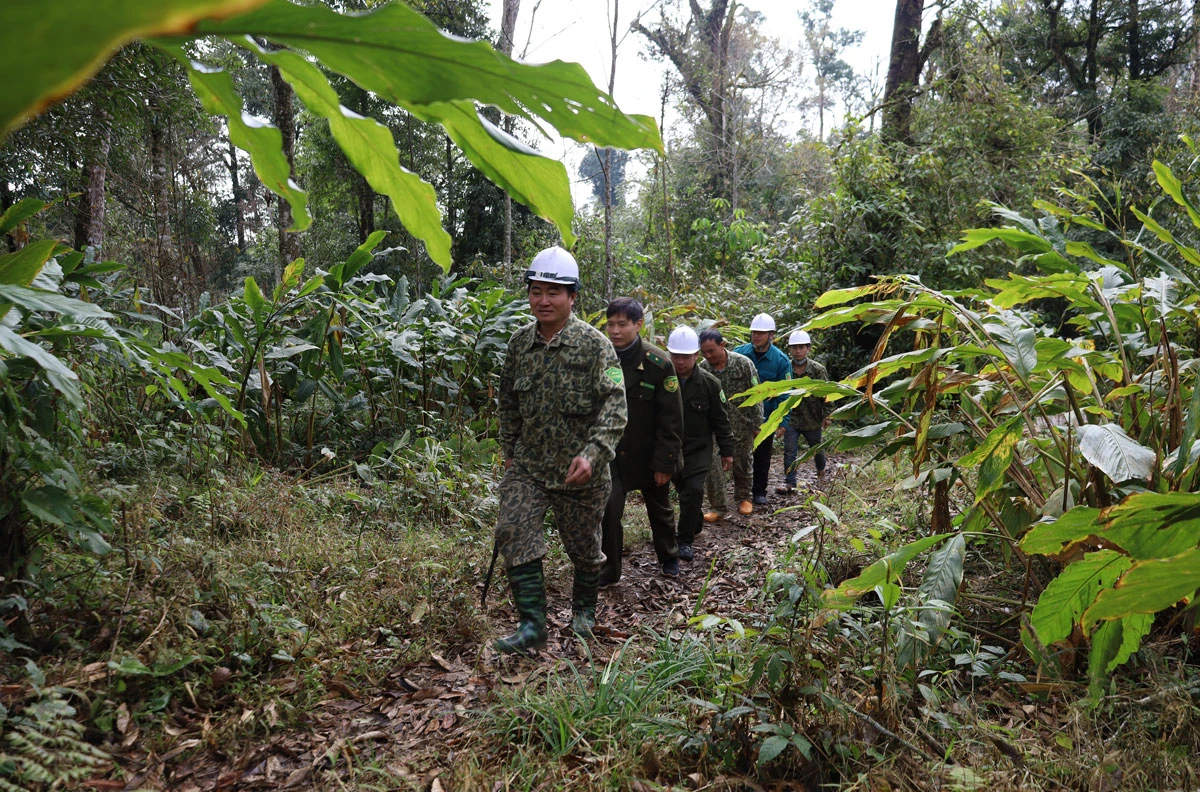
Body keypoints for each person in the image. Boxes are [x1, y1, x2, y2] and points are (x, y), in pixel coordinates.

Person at [492, 246, 628, 654]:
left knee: (585, 550)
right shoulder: (519, 345)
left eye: (554, 292)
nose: (543, 300)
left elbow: (616, 405)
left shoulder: (596, 346)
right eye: (536, 291)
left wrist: (592, 453)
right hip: (530, 467)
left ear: (572, 297)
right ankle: (532, 624)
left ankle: (584, 608)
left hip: (581, 474)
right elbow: (508, 402)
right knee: (512, 530)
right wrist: (509, 447)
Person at [600, 298, 684, 584]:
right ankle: (609, 569)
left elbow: (671, 418)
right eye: (610, 324)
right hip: (611, 453)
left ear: (638, 325)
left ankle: (669, 556)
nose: (615, 331)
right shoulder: (600, 356)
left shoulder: (658, 363)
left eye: (622, 324)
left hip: (649, 453)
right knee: (608, 510)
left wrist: (665, 461)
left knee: (659, 508)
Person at [666, 326, 733, 562]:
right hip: (670, 448)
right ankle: (693, 522)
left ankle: (684, 541)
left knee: (693, 489)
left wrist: (727, 450)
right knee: (683, 490)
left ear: (696, 355)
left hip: (699, 448)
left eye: (686, 356)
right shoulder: (662, 379)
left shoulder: (709, 383)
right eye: (676, 356)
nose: (681, 362)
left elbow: (720, 419)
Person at [698, 328, 760, 519]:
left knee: (742, 462)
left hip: (742, 423)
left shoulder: (743, 364)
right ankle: (717, 507)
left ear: (722, 345)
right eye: (704, 352)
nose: (708, 356)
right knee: (713, 466)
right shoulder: (702, 368)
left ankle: (744, 497)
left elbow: (757, 393)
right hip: (714, 427)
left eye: (711, 351)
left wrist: (758, 424)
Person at [734, 313, 791, 506]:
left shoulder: (781, 361)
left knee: (762, 455)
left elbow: (785, 393)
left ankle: (759, 491)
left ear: (771, 335)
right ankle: (740, 492)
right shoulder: (739, 353)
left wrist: (782, 421)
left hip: (765, 417)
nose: (756, 336)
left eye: (761, 333)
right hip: (740, 416)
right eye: (754, 332)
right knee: (739, 455)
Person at [778, 329, 832, 493]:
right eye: (794, 348)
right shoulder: (785, 368)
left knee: (817, 449)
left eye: (801, 347)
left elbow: (827, 392)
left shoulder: (817, 369)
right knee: (789, 451)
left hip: (812, 417)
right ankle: (790, 482)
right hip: (792, 418)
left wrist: (827, 415)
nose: (798, 351)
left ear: (808, 348)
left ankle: (821, 472)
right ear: (790, 349)